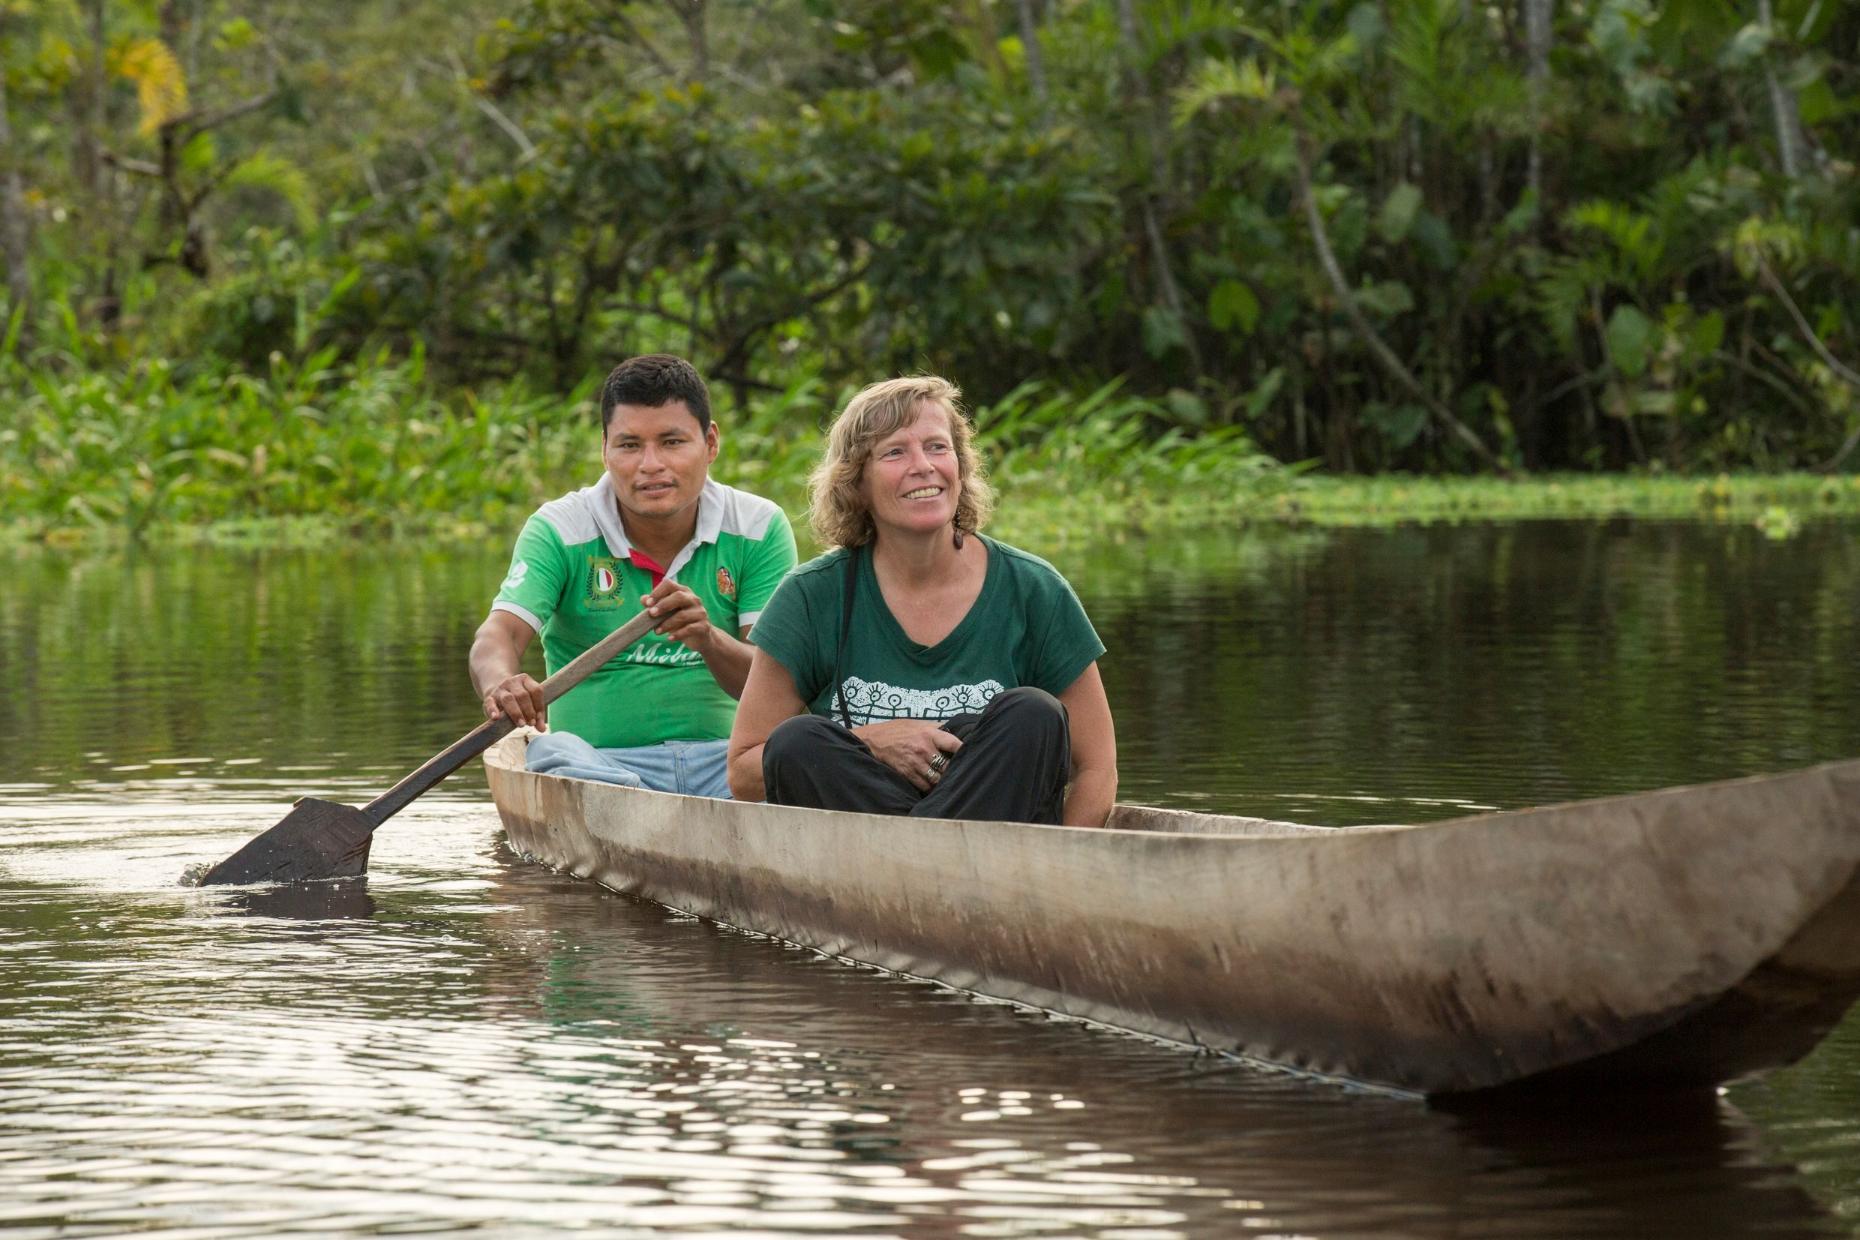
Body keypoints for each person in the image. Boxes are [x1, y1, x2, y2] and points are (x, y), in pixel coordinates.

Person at [727, 375, 1117, 826]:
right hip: (860, 848)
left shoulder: (1034, 588)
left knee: (1034, 714)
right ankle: (923, 872)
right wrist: (871, 741)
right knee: (796, 741)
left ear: (960, 466)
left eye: (937, 447)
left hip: (998, 845)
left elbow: (1096, 768)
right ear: (856, 484)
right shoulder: (810, 596)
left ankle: (930, 868)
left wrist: (1060, 878)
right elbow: (743, 770)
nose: (923, 466)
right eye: (895, 452)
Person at [471, 353, 797, 796]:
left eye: (672, 442)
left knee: (804, 746)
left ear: (711, 443)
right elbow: (499, 637)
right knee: (549, 752)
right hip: (598, 768)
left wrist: (707, 639)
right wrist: (501, 685)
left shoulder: (758, 527)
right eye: (629, 445)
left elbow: (775, 686)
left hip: (724, 767)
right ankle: (636, 803)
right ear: (604, 448)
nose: (650, 465)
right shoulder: (561, 529)